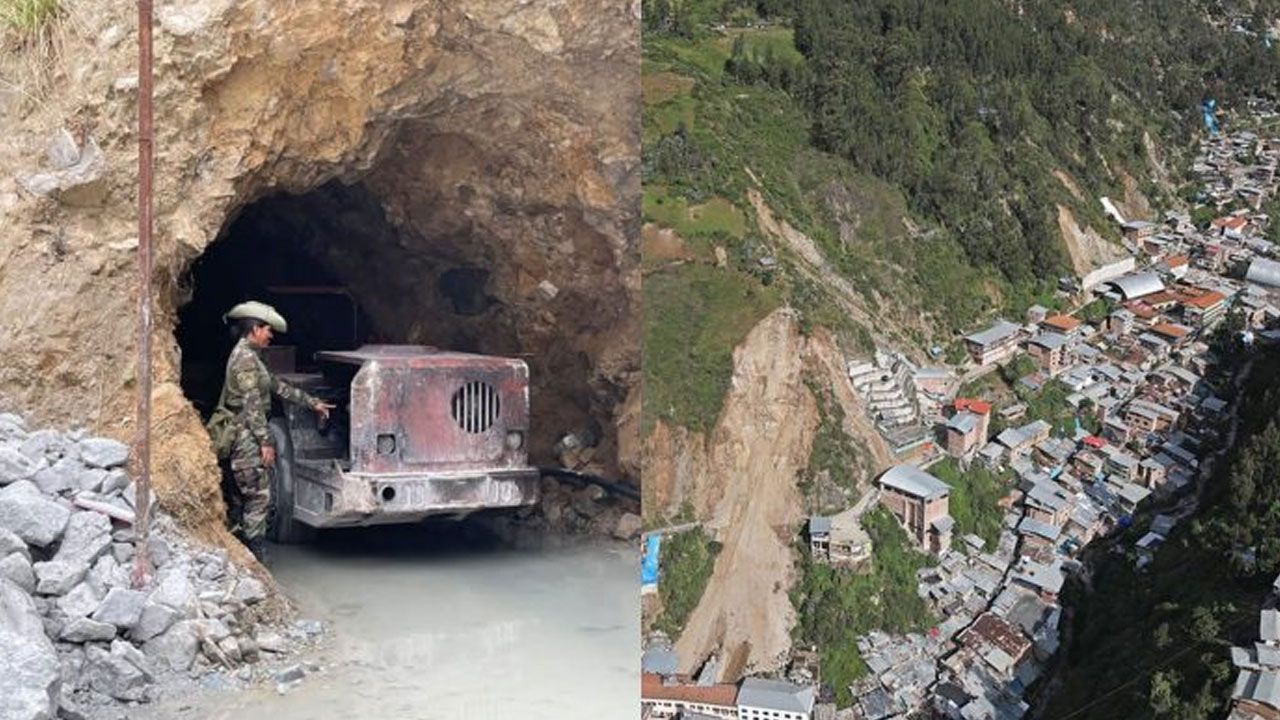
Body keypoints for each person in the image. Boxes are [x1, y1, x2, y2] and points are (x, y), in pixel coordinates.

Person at [208, 301, 334, 561]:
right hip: (245, 435)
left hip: (247, 432)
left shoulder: (253, 357)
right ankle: (255, 554)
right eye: (267, 330)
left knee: (247, 493)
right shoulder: (244, 359)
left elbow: (276, 386)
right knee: (259, 494)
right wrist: (266, 442)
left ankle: (242, 546)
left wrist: (312, 403)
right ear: (254, 329)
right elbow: (252, 403)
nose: (270, 336)